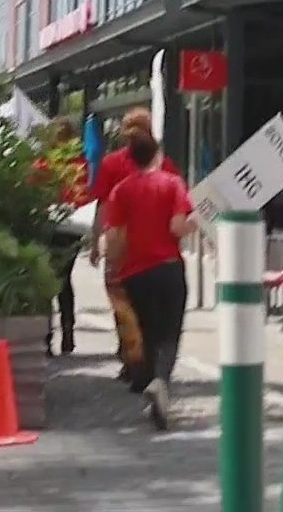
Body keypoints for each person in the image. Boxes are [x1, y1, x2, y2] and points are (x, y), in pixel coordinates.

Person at [101, 127, 198, 430]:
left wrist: (112, 266)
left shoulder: (121, 190)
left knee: (147, 333)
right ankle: (161, 381)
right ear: (157, 154)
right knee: (170, 332)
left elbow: (115, 237)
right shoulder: (173, 183)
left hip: (135, 273)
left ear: (130, 159)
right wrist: (198, 221)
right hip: (169, 268)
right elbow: (177, 227)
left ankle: (150, 382)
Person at [88, 109, 181, 382]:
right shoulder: (166, 166)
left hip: (120, 245)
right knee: (156, 313)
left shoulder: (110, 164)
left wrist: (96, 243)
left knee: (124, 306)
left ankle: (133, 359)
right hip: (158, 248)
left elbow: (103, 207)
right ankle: (146, 365)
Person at [39, 119, 89, 356]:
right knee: (65, 280)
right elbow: (82, 194)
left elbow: (34, 190)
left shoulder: (43, 162)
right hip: (72, 227)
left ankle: (46, 338)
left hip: (49, 227)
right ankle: (68, 335)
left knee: (46, 282)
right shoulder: (79, 164)